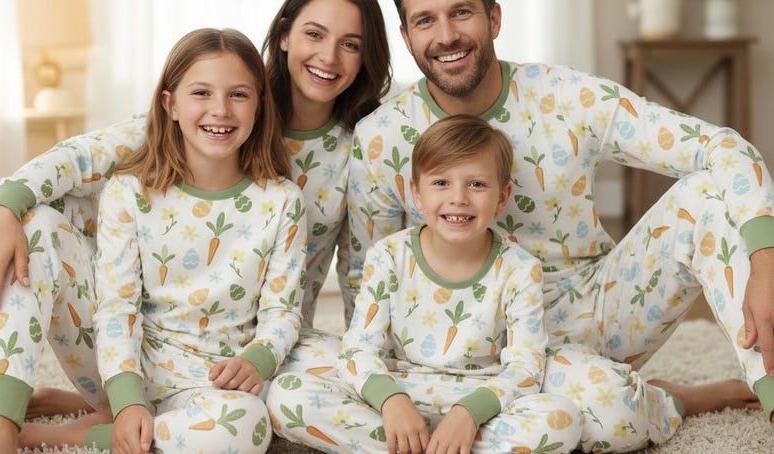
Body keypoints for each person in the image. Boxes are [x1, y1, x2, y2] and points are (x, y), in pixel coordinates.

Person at [345, 0, 774, 452]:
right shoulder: (380, 138)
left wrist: (765, 262)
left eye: (462, 11)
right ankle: (668, 399)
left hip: (592, 314)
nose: (446, 34)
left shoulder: (568, 96)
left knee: (706, 195)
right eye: (425, 20)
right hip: (464, 354)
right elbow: (364, 283)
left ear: (494, 18)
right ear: (406, 34)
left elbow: (721, 147)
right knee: (612, 420)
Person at [0, 0, 390, 449]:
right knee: (32, 223)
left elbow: (361, 269)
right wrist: (2, 204)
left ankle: (100, 425)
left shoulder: (360, 149)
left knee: (355, 381)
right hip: (139, 345)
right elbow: (81, 158)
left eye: (350, 44)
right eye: (315, 34)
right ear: (286, 35)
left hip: (257, 347)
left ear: (256, 105)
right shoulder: (186, 126)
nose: (329, 56)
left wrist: (359, 357)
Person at [267, 114, 581, 453]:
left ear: (502, 198)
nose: (458, 197)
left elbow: (524, 369)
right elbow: (358, 351)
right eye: (441, 183)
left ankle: (427, 447)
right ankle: (422, 444)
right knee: (287, 395)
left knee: (561, 419)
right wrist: (391, 401)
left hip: (481, 404)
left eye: (476, 184)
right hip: (399, 393)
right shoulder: (388, 255)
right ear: (417, 194)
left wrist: (469, 413)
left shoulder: (521, 269)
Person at [91, 28, 306, 453]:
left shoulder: (282, 200)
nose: (220, 110)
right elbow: (117, 308)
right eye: (201, 93)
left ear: (260, 106)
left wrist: (258, 359)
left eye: (239, 95)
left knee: (247, 425)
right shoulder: (130, 192)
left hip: (220, 378)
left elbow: (283, 310)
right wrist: (128, 401)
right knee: (35, 231)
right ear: (170, 105)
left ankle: (93, 435)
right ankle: (121, 421)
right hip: (137, 369)